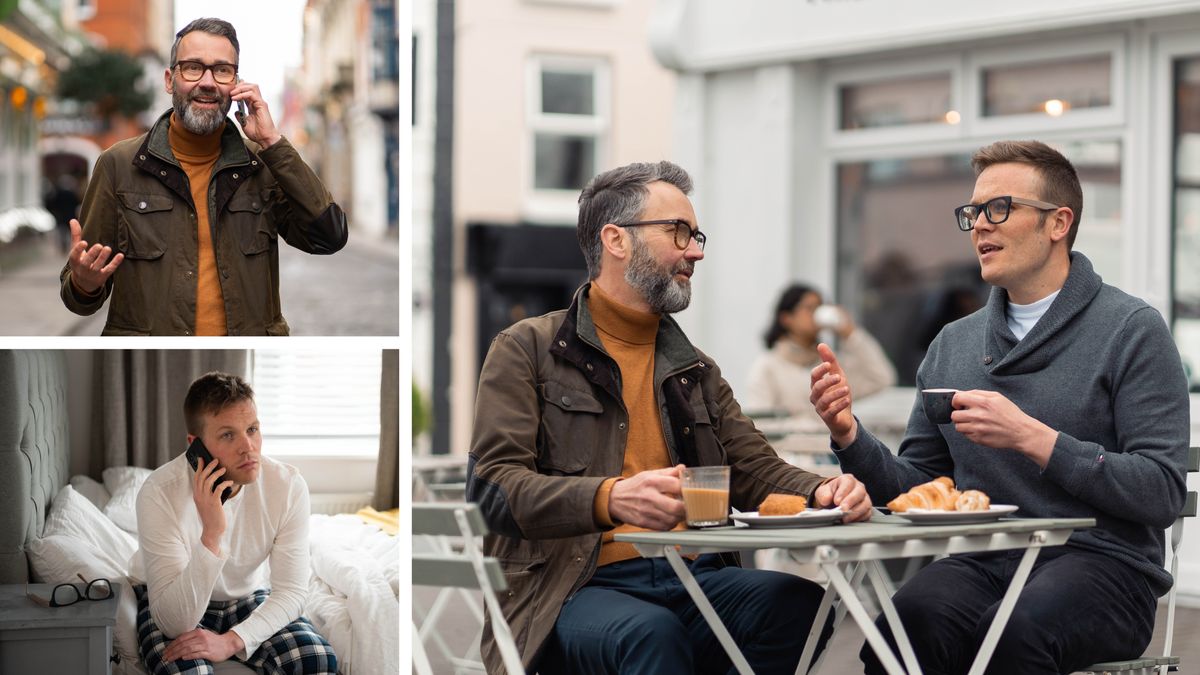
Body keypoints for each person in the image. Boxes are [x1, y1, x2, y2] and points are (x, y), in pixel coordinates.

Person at [467, 160, 874, 675]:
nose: (696, 251)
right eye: (679, 232)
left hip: (692, 575)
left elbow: (754, 469)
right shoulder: (526, 348)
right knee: (650, 635)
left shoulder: (695, 369)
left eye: (696, 234)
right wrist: (609, 497)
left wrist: (822, 490)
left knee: (797, 605)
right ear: (616, 240)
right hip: (570, 587)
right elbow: (492, 490)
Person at [809, 140, 1190, 674]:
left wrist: (1033, 438)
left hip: (1106, 567)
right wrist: (850, 435)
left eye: (999, 208)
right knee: (900, 628)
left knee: (1012, 633)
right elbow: (915, 488)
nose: (980, 226)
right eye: (974, 212)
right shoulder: (952, 344)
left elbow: (1161, 491)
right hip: (985, 560)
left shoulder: (1131, 330)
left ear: (1058, 223)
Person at [59, 17, 348, 336]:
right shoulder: (118, 165)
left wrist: (273, 143)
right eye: (193, 67)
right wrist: (84, 284)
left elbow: (329, 237)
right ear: (170, 80)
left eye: (222, 70)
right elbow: (79, 298)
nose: (208, 82)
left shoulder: (262, 165)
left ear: (236, 83)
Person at [128, 372, 337, 674]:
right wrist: (212, 534)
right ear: (195, 445)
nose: (248, 447)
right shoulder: (159, 492)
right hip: (173, 598)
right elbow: (175, 622)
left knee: (318, 661)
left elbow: (292, 592)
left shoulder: (287, 486)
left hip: (248, 598)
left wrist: (232, 640)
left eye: (252, 429)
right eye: (228, 435)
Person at [745, 282, 896, 422]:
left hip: (832, 449)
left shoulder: (830, 366)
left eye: (819, 308)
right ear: (786, 318)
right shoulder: (767, 367)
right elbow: (761, 423)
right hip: (788, 450)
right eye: (809, 308)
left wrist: (850, 334)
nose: (815, 315)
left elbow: (881, 378)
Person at [44, 174, 82, 254]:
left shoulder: (58, 193)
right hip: (70, 215)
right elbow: (77, 203)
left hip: (61, 216)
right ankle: (70, 246)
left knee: (62, 232)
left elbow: (53, 204)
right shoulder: (72, 193)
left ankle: (63, 247)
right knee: (70, 232)